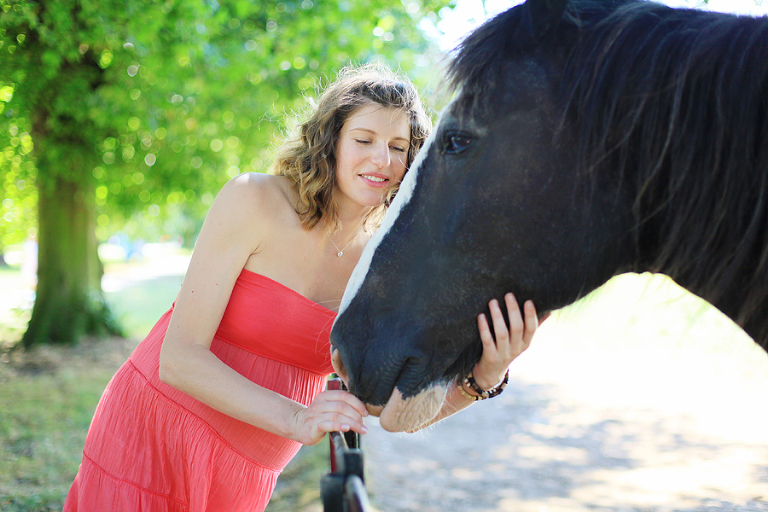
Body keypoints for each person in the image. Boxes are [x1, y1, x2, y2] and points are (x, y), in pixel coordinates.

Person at [63, 63, 540, 512]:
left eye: (398, 146)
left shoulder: (387, 265)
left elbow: (383, 408)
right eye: (365, 139)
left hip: (247, 467)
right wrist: (296, 418)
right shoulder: (253, 199)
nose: (382, 159)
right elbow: (179, 359)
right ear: (330, 140)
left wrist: (486, 376)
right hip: (155, 429)